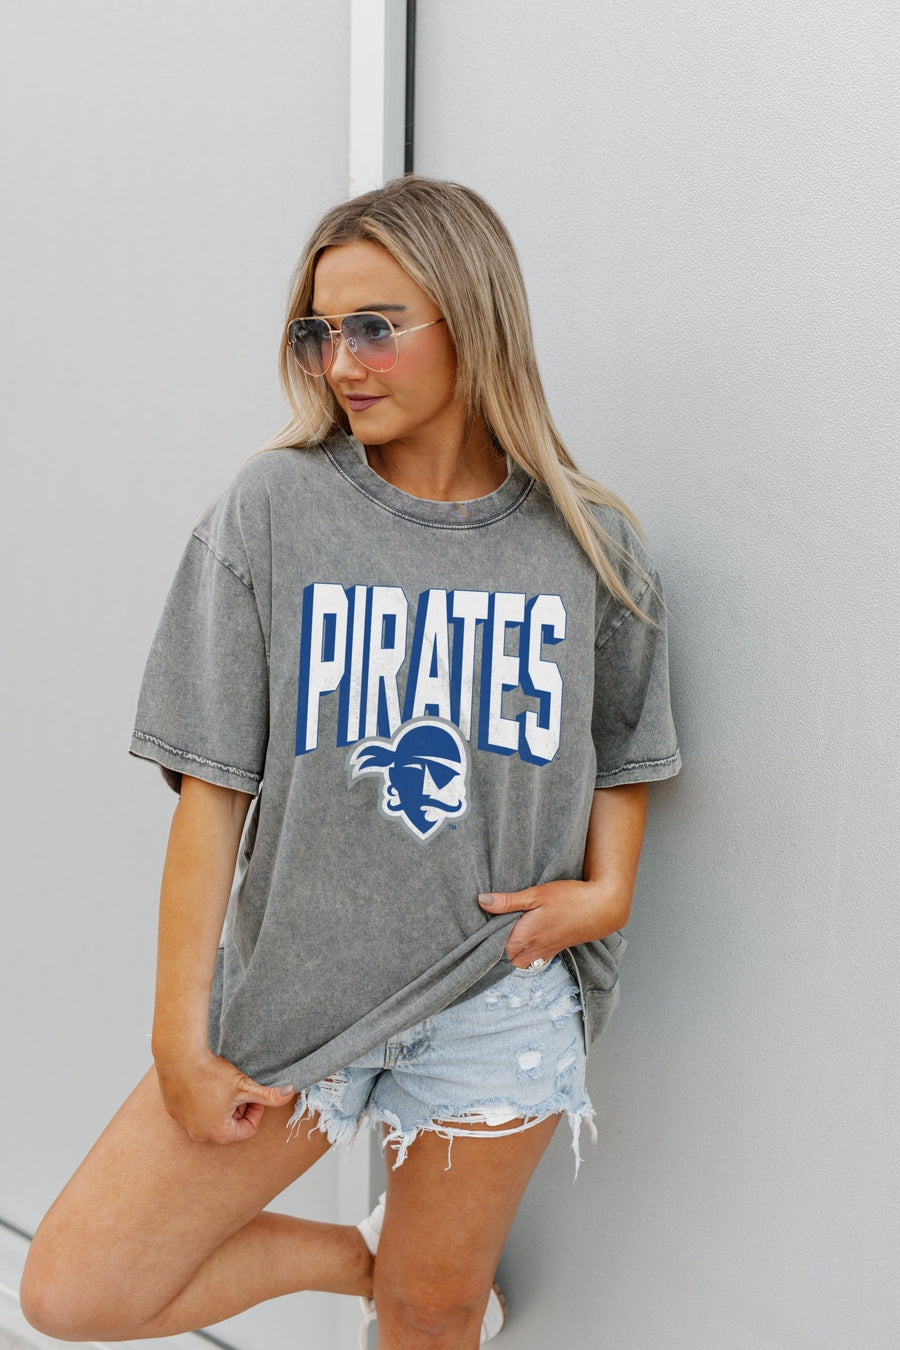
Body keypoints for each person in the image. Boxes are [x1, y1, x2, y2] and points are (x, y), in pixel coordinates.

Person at [21, 176, 681, 1350]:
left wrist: (609, 891)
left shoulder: (587, 540)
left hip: (496, 991)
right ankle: (371, 1262)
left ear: (472, 321)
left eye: (374, 327)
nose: (341, 364)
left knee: (434, 1317)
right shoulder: (274, 509)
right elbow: (211, 794)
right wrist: (178, 1037)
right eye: (319, 333)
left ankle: (417, 1284)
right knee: (78, 1292)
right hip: (299, 994)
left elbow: (624, 742)